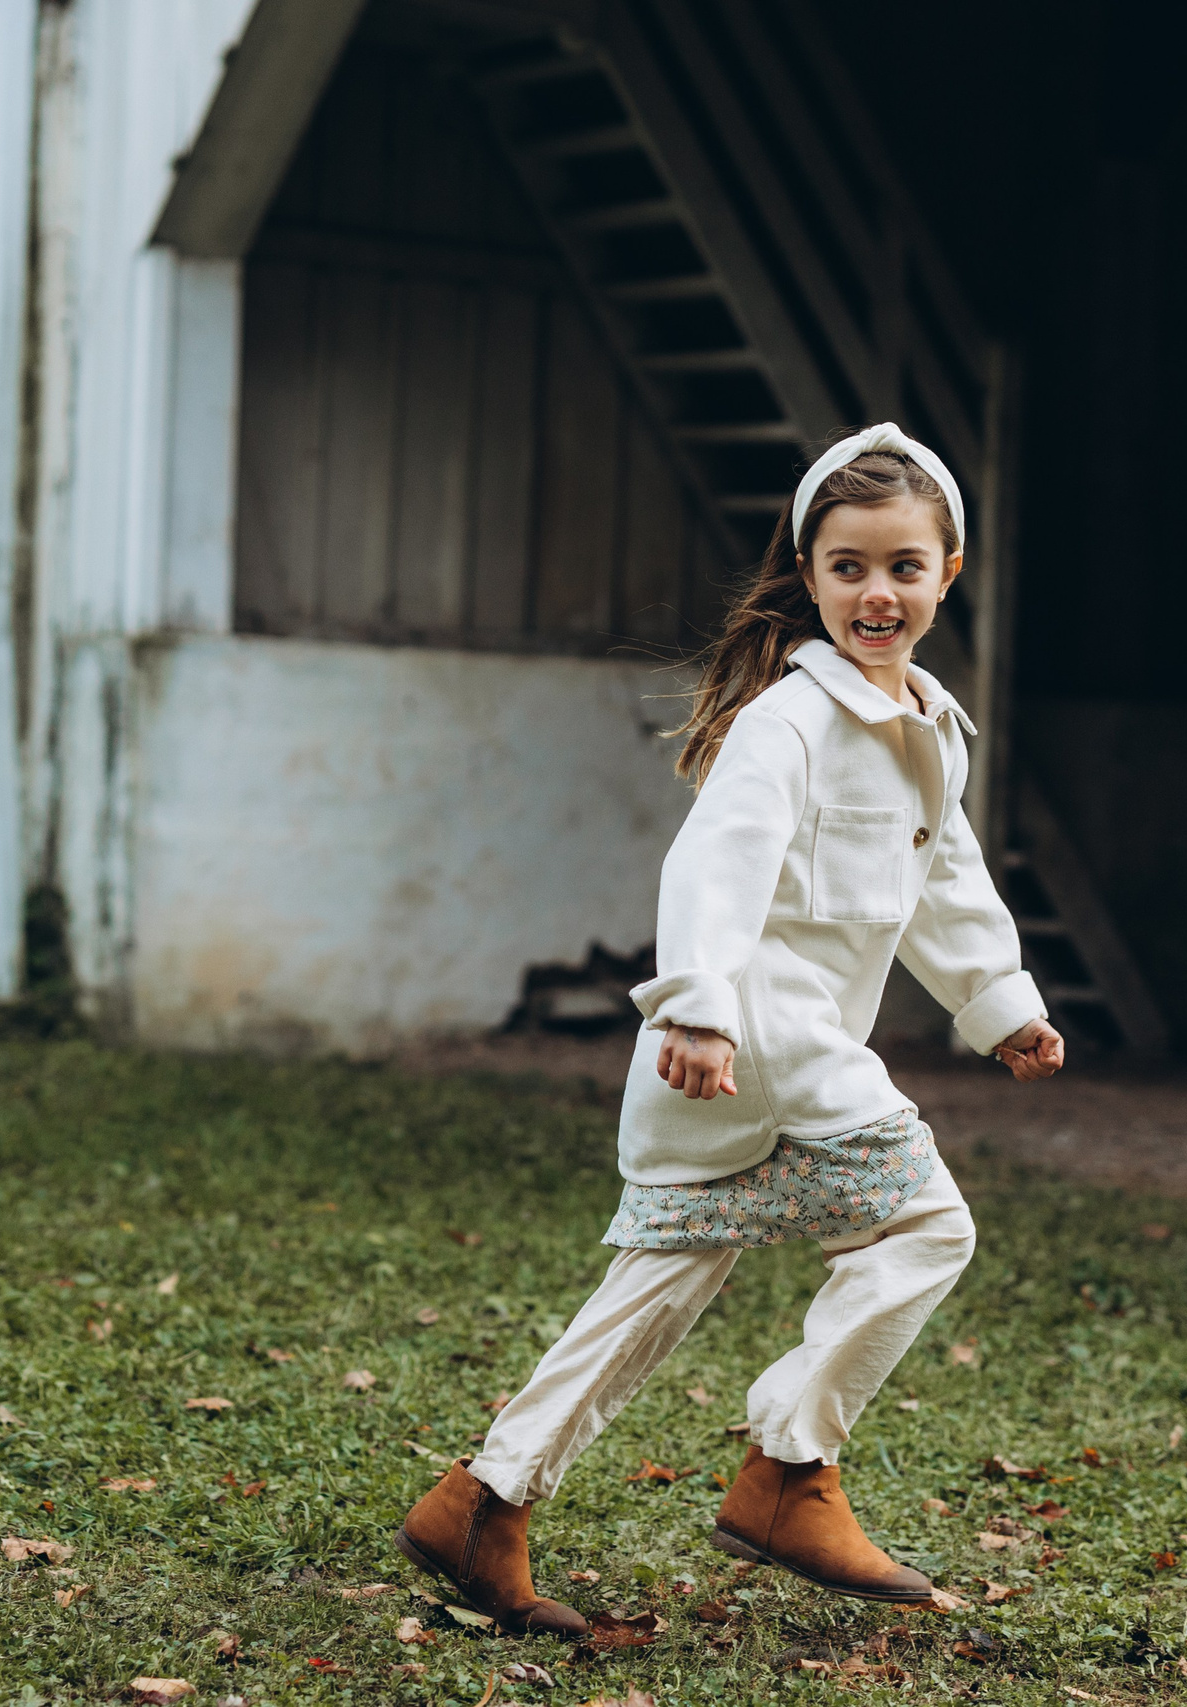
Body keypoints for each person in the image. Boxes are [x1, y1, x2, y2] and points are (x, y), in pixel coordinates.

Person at [393, 424, 1066, 1637]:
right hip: (758, 1036)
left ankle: (480, 1502)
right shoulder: (788, 723)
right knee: (927, 1221)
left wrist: (1000, 1005)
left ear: (948, 572)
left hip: (793, 1051)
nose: (877, 592)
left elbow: (949, 880)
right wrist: (695, 1007)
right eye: (849, 566)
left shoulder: (926, 725)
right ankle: (786, 1476)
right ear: (807, 575)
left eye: (904, 567)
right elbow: (714, 867)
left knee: (661, 1280)